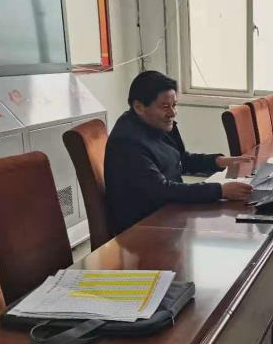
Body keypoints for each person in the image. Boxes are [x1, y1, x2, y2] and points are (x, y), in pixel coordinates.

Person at [105, 71, 253, 234]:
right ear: (139, 107)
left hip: (170, 210)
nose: (172, 113)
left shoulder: (157, 124)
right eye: (165, 107)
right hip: (144, 227)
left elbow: (180, 159)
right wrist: (220, 190)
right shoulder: (127, 142)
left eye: (174, 105)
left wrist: (218, 161)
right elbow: (161, 190)